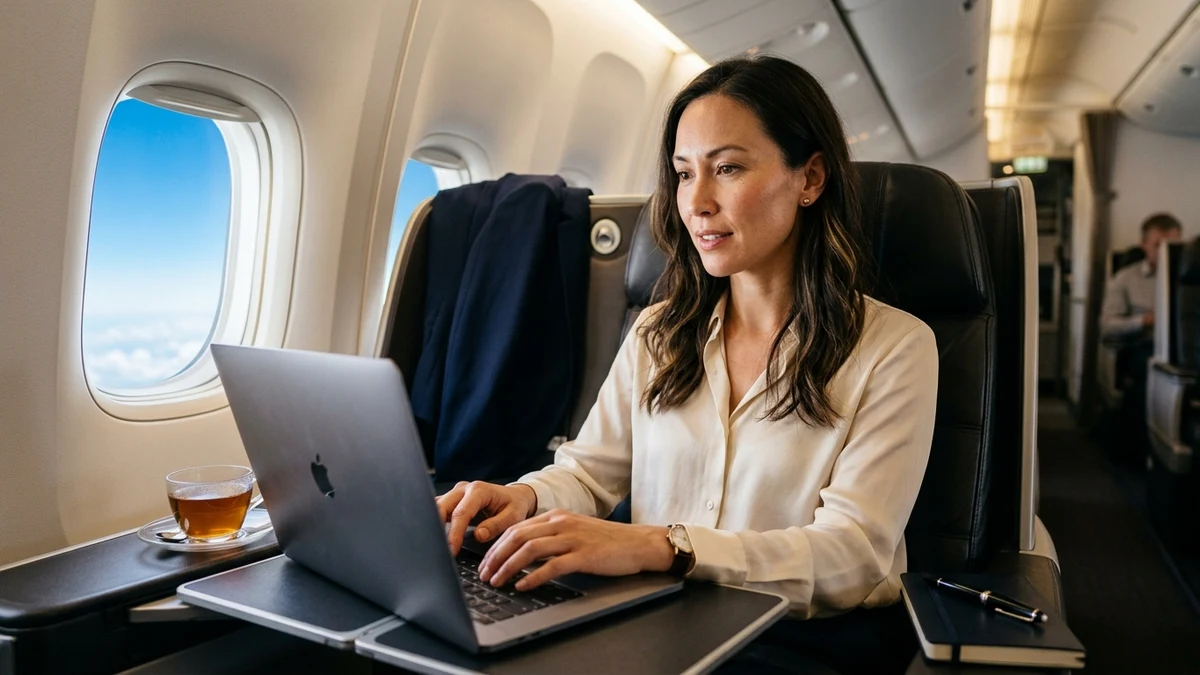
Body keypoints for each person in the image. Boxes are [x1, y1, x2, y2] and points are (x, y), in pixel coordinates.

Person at [435, 55, 939, 675]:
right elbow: (590, 476)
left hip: (800, 640)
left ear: (809, 179)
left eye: (727, 168)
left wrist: (664, 547)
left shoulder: (894, 347)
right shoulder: (660, 331)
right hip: (658, 617)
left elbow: (852, 555)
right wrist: (521, 499)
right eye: (682, 173)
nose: (695, 202)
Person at [1100, 213, 1182, 464]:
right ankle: (1151, 452)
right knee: (1150, 372)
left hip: (1181, 347)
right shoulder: (1126, 279)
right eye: (1159, 245)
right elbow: (1107, 328)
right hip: (1141, 347)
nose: (1166, 252)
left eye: (1173, 245)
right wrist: (1143, 322)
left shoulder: (1188, 276)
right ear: (1144, 244)